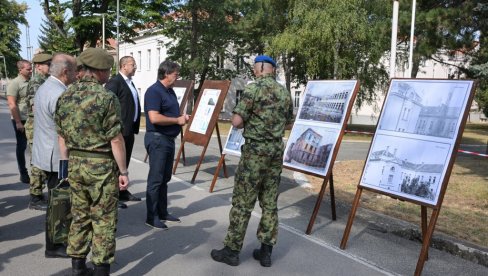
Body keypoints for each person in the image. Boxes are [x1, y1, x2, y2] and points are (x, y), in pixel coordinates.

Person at [211, 55, 293, 267]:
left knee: (243, 202)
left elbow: (237, 122)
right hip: (275, 151)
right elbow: (288, 122)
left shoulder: (252, 89)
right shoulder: (284, 92)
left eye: (255, 68)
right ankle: (266, 252)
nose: (254, 71)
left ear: (262, 68)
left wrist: (243, 119)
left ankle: (231, 250)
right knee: (269, 202)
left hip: (255, 153)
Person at [55, 48, 129, 276]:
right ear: (98, 71)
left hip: (75, 164)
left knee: (79, 215)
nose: (108, 74)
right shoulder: (106, 98)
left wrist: (65, 166)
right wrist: (123, 171)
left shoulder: (65, 96)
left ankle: (78, 267)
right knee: (103, 219)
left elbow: (61, 137)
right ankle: (100, 269)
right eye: (107, 70)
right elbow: (115, 139)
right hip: (101, 167)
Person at [32, 53, 77, 257]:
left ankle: (56, 242)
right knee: (58, 203)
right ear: (66, 71)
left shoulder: (48, 86)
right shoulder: (59, 93)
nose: (77, 74)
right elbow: (66, 131)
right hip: (57, 157)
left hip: (47, 152)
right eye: (75, 70)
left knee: (56, 201)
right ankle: (54, 245)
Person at [144, 60, 189, 230]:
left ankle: (162, 212)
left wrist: (181, 118)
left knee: (165, 178)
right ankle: (152, 216)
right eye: (175, 74)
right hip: (157, 139)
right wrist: (176, 120)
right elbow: (154, 118)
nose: (177, 77)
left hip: (167, 139)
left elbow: (170, 113)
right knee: (156, 179)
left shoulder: (169, 91)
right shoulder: (154, 91)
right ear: (166, 74)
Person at [105, 56, 142, 205]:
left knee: (124, 163)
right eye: (133, 64)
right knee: (116, 163)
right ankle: (114, 195)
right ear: (124, 66)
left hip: (129, 129)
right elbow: (108, 103)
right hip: (119, 130)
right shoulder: (115, 82)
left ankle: (123, 191)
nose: (135, 67)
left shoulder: (130, 83)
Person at [25, 53, 53, 211]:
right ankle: (35, 197)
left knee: (41, 159)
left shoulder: (44, 81)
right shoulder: (37, 82)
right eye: (48, 64)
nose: (50, 67)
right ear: (38, 66)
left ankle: (38, 193)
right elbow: (37, 109)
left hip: (41, 126)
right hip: (36, 126)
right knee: (37, 161)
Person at [7, 59, 32, 184]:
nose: (31, 70)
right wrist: (18, 122)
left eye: (31, 67)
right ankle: (23, 173)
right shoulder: (15, 83)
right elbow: (12, 103)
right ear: (20, 69)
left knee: (34, 147)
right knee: (22, 146)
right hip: (20, 119)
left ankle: (37, 173)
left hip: (32, 118)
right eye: (28, 69)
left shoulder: (32, 81)